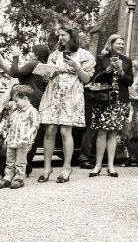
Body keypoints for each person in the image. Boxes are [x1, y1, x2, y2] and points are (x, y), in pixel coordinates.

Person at [38, 24, 95, 183]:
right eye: (59, 35)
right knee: (50, 130)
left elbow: (86, 79)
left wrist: (77, 68)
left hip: (71, 95)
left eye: (63, 34)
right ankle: (47, 168)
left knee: (65, 131)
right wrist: (47, 75)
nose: (60, 38)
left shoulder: (84, 55)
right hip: (54, 94)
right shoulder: (54, 55)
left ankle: (67, 167)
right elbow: (49, 77)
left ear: (72, 36)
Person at [0, 44, 49, 176]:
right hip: (39, 101)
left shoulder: (34, 64)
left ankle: (15, 166)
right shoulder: (44, 67)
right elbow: (14, 72)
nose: (31, 54)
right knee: (32, 134)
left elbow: (15, 73)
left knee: (20, 131)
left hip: (27, 100)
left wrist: (16, 56)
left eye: (33, 52)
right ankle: (26, 165)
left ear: (37, 54)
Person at [88, 34, 133, 178]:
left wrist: (121, 71)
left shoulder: (127, 60)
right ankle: (97, 165)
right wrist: (109, 69)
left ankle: (111, 166)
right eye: (118, 43)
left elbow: (130, 81)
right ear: (111, 44)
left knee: (113, 132)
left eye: (122, 44)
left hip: (119, 100)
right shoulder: (101, 58)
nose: (121, 46)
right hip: (103, 100)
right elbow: (95, 78)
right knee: (101, 132)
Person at [0, 85, 40, 189]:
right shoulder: (15, 112)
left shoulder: (32, 111)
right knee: (10, 161)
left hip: (23, 142)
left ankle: (19, 178)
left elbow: (35, 125)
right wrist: (8, 136)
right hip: (12, 141)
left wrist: (28, 134)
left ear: (25, 99)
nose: (14, 103)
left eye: (16, 101)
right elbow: (11, 126)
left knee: (20, 161)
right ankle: (8, 177)